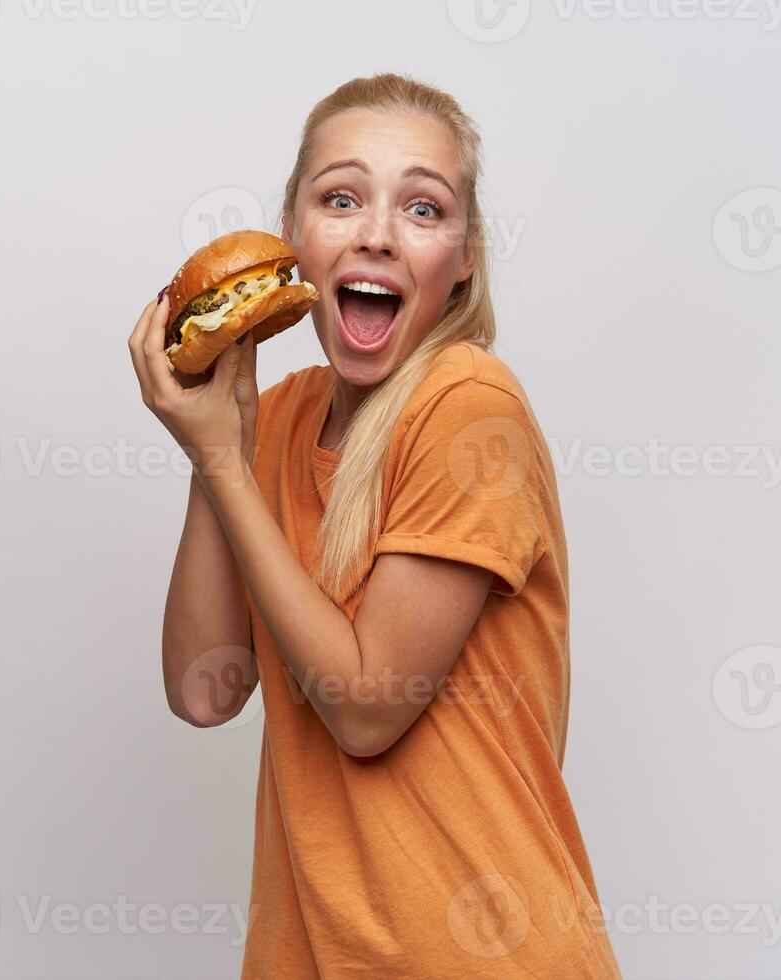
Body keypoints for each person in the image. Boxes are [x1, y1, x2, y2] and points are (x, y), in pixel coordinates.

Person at [128, 72, 622, 979]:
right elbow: (206, 692)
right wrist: (219, 441)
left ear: (464, 256)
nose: (378, 235)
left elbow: (365, 710)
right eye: (341, 197)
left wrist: (224, 465)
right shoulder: (274, 418)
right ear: (295, 237)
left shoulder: (468, 408)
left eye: (424, 209)